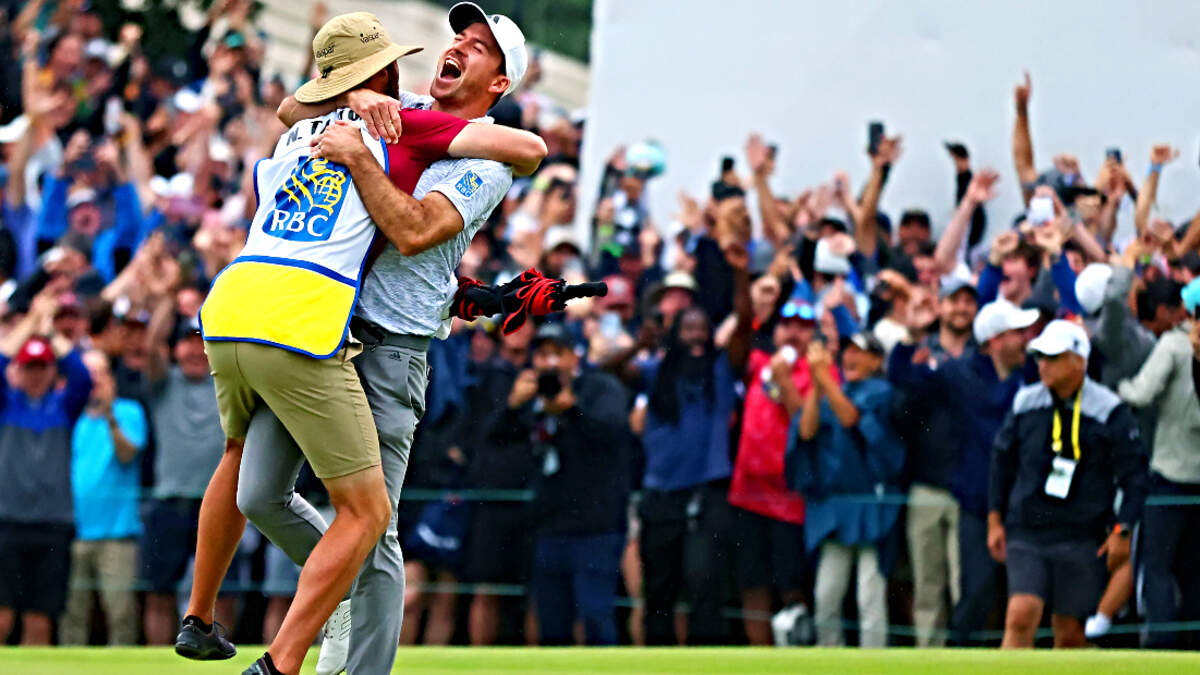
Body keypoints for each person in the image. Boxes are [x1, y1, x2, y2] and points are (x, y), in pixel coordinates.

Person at [182, 6, 548, 674]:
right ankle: (338, 593)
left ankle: (359, 664)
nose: (458, 46)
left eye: (479, 47)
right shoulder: (399, 108)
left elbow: (414, 230)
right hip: (319, 332)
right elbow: (294, 107)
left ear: (500, 83)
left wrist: (356, 149)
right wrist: (353, 95)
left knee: (373, 529)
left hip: (390, 349)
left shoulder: (487, 156)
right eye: (459, 36)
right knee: (258, 495)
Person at [988, 320, 1149, 648]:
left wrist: (1123, 529)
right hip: (1028, 530)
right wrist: (994, 519)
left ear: (1079, 361)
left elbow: (1135, 477)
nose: (1043, 365)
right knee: (1020, 615)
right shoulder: (1026, 402)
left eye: (1053, 357)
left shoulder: (1109, 410)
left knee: (1070, 633)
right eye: (1040, 357)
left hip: (1082, 535)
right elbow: (1001, 462)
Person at [890, 299, 1039, 645]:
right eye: (1017, 332)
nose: (1026, 339)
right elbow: (905, 379)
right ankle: (959, 658)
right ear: (995, 340)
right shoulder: (958, 373)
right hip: (977, 503)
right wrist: (911, 337)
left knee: (1027, 594)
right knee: (976, 595)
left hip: (1023, 501)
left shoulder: (1032, 373)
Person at [511, 322, 630, 645]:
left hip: (596, 525)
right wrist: (511, 407)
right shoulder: (532, 392)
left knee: (594, 615)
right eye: (542, 354)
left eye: (557, 353)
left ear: (575, 357)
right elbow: (495, 441)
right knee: (551, 622)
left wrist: (572, 409)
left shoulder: (600, 386)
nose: (550, 362)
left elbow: (613, 433)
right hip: (548, 524)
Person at [727, 293, 828, 644]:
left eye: (803, 327)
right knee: (752, 582)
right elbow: (733, 343)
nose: (793, 333)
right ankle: (759, 657)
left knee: (791, 584)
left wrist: (785, 381)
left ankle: (793, 654)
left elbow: (806, 425)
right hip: (748, 493)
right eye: (786, 325)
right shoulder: (758, 363)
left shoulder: (819, 372)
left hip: (789, 496)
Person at [791, 334, 905, 647]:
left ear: (876, 361)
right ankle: (828, 657)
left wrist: (825, 379)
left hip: (873, 506)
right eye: (848, 351)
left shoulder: (881, 392)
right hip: (835, 508)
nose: (850, 357)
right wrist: (817, 385)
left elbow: (850, 417)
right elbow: (806, 430)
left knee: (869, 594)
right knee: (826, 593)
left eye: (860, 351)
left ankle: (873, 662)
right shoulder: (832, 388)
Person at [0, 289, 92, 646]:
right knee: (3, 611)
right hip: (8, 519)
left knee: (41, 613)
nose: (36, 375)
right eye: (30, 367)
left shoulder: (64, 407)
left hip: (53, 521)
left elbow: (81, 376)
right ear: (19, 370)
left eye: (43, 367)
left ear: (52, 369)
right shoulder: (6, 405)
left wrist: (49, 330)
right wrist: (31, 322)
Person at [1115, 300, 1200, 646]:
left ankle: (1163, 650)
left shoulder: (1174, 345)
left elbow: (1142, 393)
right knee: (1195, 572)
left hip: (1170, 476)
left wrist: (1118, 387)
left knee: (1158, 569)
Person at [60, 349, 146, 645]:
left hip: (117, 534)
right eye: (88, 374)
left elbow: (127, 454)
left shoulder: (129, 411)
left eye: (99, 373)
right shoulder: (72, 416)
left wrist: (110, 416)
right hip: (75, 532)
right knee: (72, 615)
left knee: (120, 613)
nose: (94, 380)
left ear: (111, 378)